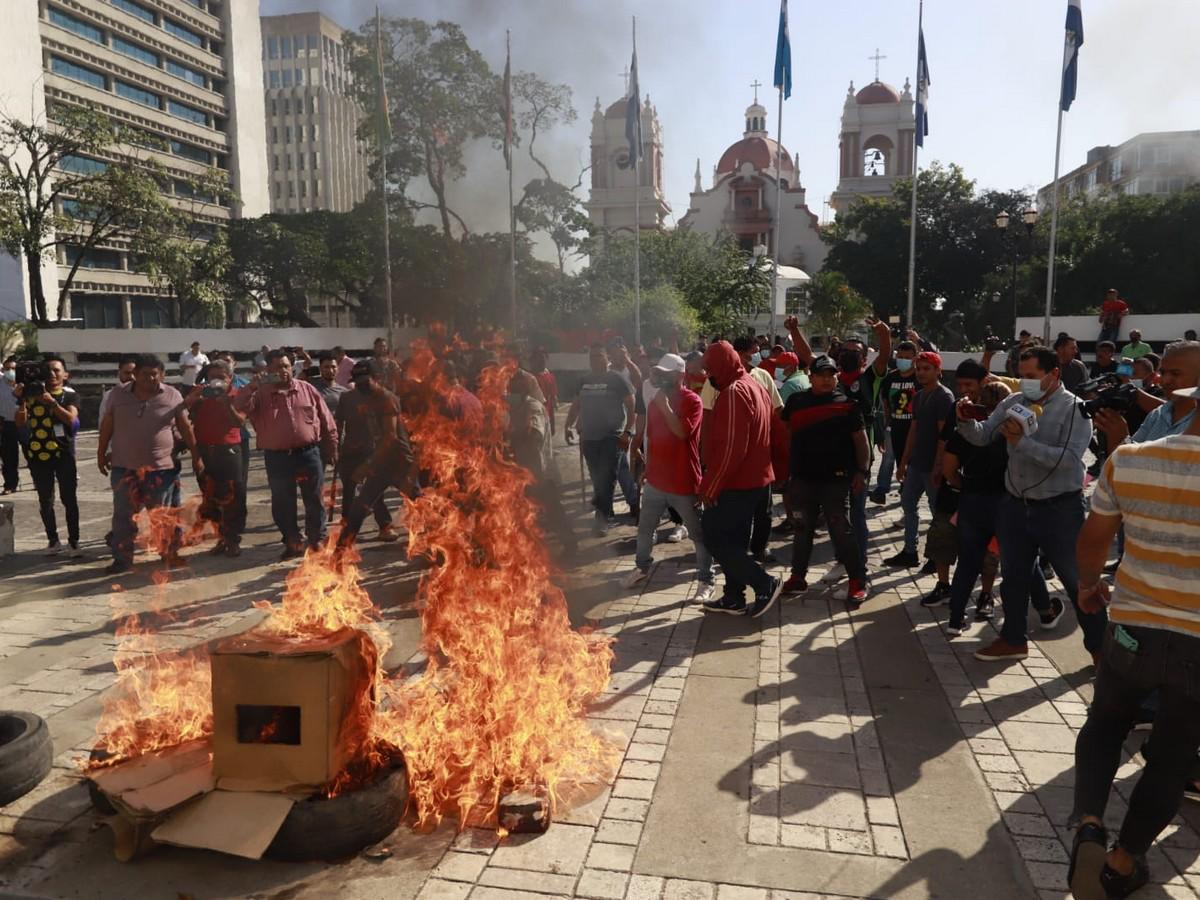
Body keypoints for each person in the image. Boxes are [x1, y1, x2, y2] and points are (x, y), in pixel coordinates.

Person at [1066, 386, 1200, 900]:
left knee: (1105, 724)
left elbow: (1093, 540)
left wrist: (1087, 586)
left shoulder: (1132, 459)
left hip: (1132, 626)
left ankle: (1089, 826)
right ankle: (1122, 863)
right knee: (1172, 753)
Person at [955, 346, 1105, 662]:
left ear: (1054, 374)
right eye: (1021, 377)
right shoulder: (1013, 401)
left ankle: (1102, 651)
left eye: (1032, 377)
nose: (1025, 384)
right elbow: (982, 436)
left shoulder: (1074, 410)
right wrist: (965, 420)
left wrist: (1022, 444)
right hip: (1014, 503)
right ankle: (1013, 638)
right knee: (1014, 576)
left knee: (1078, 582)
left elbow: (1069, 461)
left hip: (1059, 508)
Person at [786, 314, 892, 579]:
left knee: (855, 514)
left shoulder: (871, 378)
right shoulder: (830, 376)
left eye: (855, 352)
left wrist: (882, 332)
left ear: (864, 358)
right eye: (845, 351)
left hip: (856, 457)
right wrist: (795, 330)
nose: (849, 355)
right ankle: (841, 559)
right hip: (826, 459)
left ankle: (859, 563)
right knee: (835, 517)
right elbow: (807, 355)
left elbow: (885, 355)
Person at [698, 341, 780, 618]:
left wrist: (711, 484)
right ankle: (734, 596)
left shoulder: (734, 392)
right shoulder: (755, 384)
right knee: (734, 542)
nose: (708, 374)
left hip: (737, 482)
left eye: (710, 368)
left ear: (721, 366)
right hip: (755, 480)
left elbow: (733, 447)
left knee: (714, 536)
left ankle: (764, 582)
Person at [779, 355, 869, 605]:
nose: (827, 380)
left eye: (831, 375)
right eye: (822, 375)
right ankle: (798, 577)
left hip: (836, 481)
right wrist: (784, 473)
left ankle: (857, 581)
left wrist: (862, 471)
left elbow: (860, 441)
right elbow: (786, 436)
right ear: (811, 377)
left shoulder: (848, 405)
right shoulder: (796, 402)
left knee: (841, 530)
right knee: (801, 529)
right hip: (802, 480)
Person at [624, 353, 714, 600]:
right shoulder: (655, 402)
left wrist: (665, 406)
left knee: (698, 534)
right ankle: (642, 567)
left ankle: (706, 580)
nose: (661, 377)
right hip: (656, 481)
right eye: (659, 373)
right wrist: (647, 470)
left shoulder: (692, 401)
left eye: (667, 373)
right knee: (644, 529)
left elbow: (682, 433)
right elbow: (652, 439)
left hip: (684, 482)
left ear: (680, 375)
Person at [98, 355, 198, 575]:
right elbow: (107, 425)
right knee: (123, 517)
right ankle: (122, 560)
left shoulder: (172, 395)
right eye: (145, 374)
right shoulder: (117, 395)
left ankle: (168, 554)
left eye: (155, 374)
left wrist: (196, 456)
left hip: (160, 470)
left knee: (162, 516)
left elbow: (185, 427)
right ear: (135, 375)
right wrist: (100, 452)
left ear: (161, 375)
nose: (150, 378)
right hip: (124, 468)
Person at [236, 349, 338, 559]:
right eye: (275, 368)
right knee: (283, 502)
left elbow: (327, 421)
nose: (282, 371)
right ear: (267, 371)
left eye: (285, 366)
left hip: (309, 454)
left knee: (315, 499)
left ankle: (316, 539)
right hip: (278, 457)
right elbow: (239, 408)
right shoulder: (260, 394)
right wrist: (252, 387)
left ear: (292, 367)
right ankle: (293, 541)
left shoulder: (307, 389)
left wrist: (332, 447)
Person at [336, 362, 415, 547]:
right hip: (381, 464)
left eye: (365, 382)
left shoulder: (388, 399)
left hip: (400, 464)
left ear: (377, 379)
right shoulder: (365, 399)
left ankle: (450, 544)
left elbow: (390, 437)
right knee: (359, 507)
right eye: (358, 382)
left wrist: (366, 465)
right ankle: (338, 557)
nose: (361, 386)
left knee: (424, 505)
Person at [887, 351, 953, 571]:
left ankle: (936, 557)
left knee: (937, 512)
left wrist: (938, 466)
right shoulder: (919, 395)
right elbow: (913, 430)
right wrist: (904, 461)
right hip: (916, 464)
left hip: (932, 466)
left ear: (938, 371)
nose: (922, 373)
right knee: (908, 503)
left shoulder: (944, 397)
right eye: (919, 368)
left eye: (927, 368)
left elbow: (944, 435)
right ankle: (909, 550)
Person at [564, 344, 636, 536]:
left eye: (599, 356)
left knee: (608, 476)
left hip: (611, 436)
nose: (596, 360)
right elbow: (576, 404)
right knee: (597, 477)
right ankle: (607, 510)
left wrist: (628, 432)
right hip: (589, 437)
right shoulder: (583, 380)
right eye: (592, 357)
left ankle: (602, 518)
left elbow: (631, 406)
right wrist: (567, 425)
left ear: (607, 358)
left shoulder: (617, 379)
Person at [14, 356, 80, 556]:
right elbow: (20, 422)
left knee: (69, 499)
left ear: (65, 375)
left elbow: (71, 419)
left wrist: (52, 403)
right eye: (48, 370)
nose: (52, 374)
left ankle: (74, 542)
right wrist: (21, 401)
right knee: (45, 500)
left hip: (63, 455)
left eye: (57, 370)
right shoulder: (31, 395)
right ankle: (53, 540)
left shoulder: (69, 396)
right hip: (38, 455)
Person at [507, 370, 574, 556]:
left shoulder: (532, 407)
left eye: (513, 387)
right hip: (525, 472)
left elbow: (534, 434)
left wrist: (510, 436)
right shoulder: (516, 408)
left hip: (541, 472)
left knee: (553, 512)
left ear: (523, 390)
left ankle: (570, 545)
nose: (509, 391)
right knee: (523, 513)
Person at [183, 361, 246, 557]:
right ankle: (221, 537)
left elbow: (240, 422)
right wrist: (192, 400)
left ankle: (233, 540)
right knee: (210, 498)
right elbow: (182, 414)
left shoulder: (237, 394)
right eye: (212, 378)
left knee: (233, 499)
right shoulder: (201, 393)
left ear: (229, 378)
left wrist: (226, 404)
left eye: (221, 377)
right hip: (204, 451)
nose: (216, 382)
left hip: (228, 451)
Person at [871, 341, 920, 505]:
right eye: (900, 356)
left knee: (909, 459)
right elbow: (885, 402)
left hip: (913, 428)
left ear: (914, 358)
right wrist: (887, 423)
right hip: (893, 426)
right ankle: (882, 489)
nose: (903, 360)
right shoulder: (890, 378)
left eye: (907, 357)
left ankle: (906, 487)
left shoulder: (919, 378)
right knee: (887, 459)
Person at [0, 357, 20, 495]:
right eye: (7, 369)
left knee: (32, 454)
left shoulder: (24, 383)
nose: (10, 371)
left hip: (24, 423)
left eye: (13, 368)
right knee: (8, 457)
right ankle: (10, 484)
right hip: (6, 423)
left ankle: (38, 481)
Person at [529, 348, 559, 437]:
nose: (542, 361)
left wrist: (552, 423)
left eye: (544, 358)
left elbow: (553, 398)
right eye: (539, 358)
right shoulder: (529, 378)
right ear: (533, 361)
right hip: (533, 417)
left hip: (546, 415)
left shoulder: (550, 377)